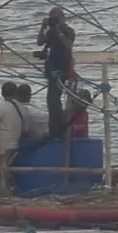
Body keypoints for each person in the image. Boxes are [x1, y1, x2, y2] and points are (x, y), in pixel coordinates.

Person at [37, 7, 76, 139]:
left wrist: (59, 31)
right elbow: (39, 42)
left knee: (54, 98)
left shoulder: (68, 31)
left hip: (62, 66)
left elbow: (68, 44)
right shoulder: (50, 31)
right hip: (51, 66)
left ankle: (57, 129)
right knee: (51, 99)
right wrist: (43, 27)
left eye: (56, 18)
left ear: (63, 18)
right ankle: (54, 128)